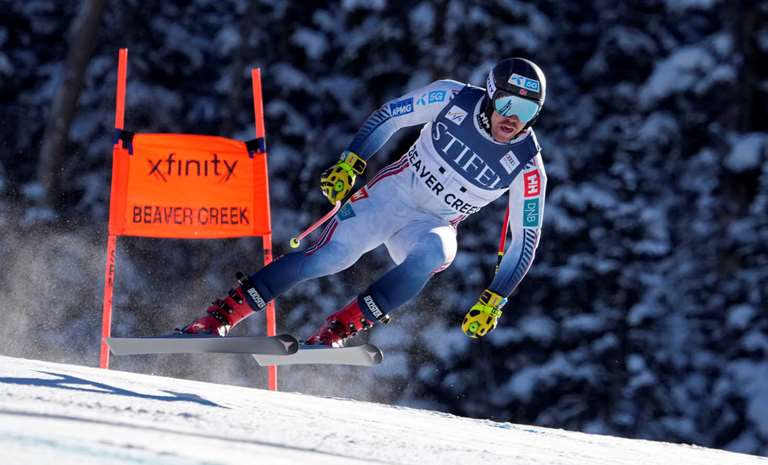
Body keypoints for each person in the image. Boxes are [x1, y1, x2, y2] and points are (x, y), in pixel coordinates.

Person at [177, 57, 548, 347]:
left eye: (527, 111)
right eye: (507, 104)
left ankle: (339, 328)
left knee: (434, 254)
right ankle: (220, 317)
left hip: (433, 223)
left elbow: (525, 239)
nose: (513, 119)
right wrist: (351, 161)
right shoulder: (452, 97)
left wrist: (496, 297)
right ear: (490, 95)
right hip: (391, 196)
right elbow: (390, 116)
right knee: (331, 256)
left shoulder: (528, 167)